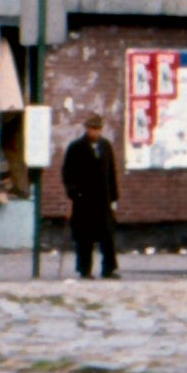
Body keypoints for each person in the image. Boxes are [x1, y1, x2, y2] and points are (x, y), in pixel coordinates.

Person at [60, 110, 120, 279]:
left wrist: (114, 197)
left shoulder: (106, 146)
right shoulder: (76, 148)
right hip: (84, 200)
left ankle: (109, 268)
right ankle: (84, 269)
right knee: (84, 236)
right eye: (92, 128)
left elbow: (111, 173)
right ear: (87, 129)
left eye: (98, 129)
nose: (95, 132)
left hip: (103, 199)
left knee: (107, 235)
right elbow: (67, 173)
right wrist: (73, 193)